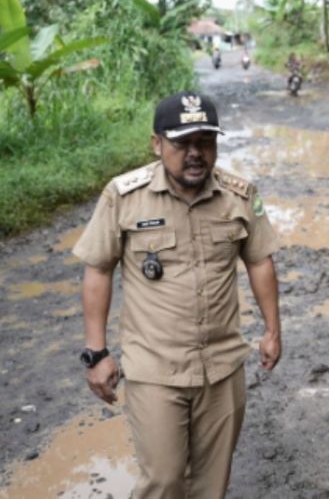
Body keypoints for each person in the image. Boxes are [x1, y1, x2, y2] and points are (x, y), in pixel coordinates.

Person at [74, 91, 282, 498]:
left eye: (205, 142)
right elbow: (98, 268)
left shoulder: (240, 196)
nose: (195, 153)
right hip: (154, 368)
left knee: (211, 483)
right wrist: (96, 353)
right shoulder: (123, 196)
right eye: (182, 142)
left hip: (221, 366)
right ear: (157, 144)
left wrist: (273, 329)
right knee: (164, 479)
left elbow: (259, 261)